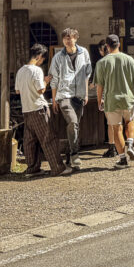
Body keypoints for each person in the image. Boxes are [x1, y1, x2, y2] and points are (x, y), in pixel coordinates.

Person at [93, 34, 134, 169]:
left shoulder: (102, 63)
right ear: (119, 44)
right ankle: (131, 144)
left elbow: (99, 86)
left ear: (107, 46)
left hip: (111, 100)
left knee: (117, 129)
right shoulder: (129, 59)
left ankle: (123, 159)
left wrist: (99, 100)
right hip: (128, 98)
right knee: (130, 121)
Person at [15, 44, 65, 176]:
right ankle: (57, 167)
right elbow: (41, 90)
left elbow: (17, 91)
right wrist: (46, 81)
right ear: (38, 56)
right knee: (48, 138)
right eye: (42, 59)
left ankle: (32, 168)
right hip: (39, 108)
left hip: (26, 109)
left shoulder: (21, 71)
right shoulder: (36, 70)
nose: (42, 61)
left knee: (30, 141)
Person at [48, 27, 92, 170]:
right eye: (65, 37)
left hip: (79, 94)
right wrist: (54, 99)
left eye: (70, 37)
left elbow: (87, 74)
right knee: (73, 122)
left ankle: (69, 156)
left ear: (76, 38)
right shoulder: (58, 57)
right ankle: (74, 154)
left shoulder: (84, 53)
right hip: (64, 95)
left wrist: (85, 93)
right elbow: (53, 79)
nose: (68, 40)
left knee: (75, 126)